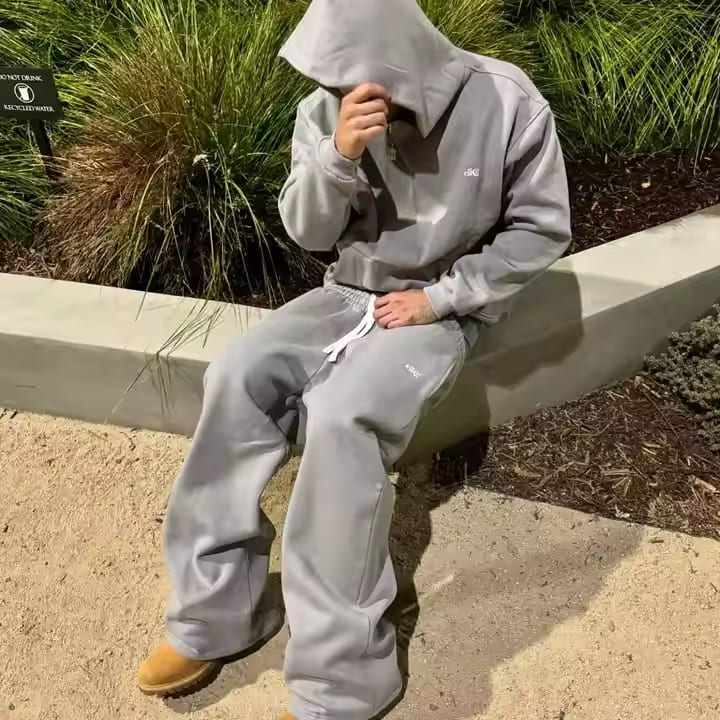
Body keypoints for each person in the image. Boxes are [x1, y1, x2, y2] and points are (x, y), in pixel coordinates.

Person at [136, 1, 571, 718]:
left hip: (437, 308)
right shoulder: (326, 109)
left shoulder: (506, 100)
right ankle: (216, 613)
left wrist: (441, 298)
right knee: (237, 375)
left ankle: (343, 680)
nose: (338, 89)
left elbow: (540, 228)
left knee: (343, 417)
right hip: (345, 293)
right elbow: (309, 232)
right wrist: (337, 158)